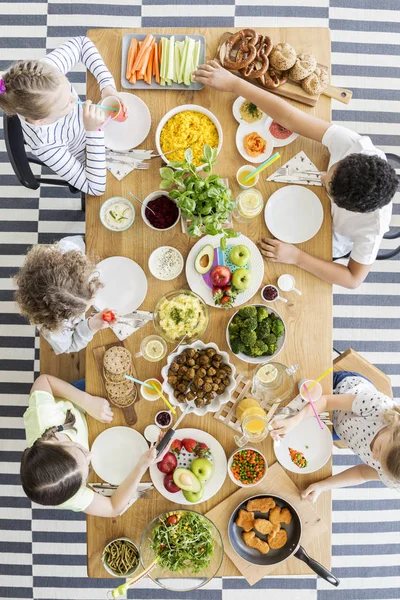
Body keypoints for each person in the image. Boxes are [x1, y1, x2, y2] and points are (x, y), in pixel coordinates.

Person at [193, 61, 398, 289]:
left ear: (349, 207)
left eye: (328, 186)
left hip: (322, 240)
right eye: (331, 173)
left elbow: (353, 279)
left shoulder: (372, 227)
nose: (320, 178)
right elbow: (290, 118)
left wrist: (297, 257)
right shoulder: (355, 146)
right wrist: (234, 84)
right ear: (349, 159)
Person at [21, 374, 170, 516]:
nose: (90, 455)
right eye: (86, 466)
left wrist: (87, 401)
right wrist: (142, 465)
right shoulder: (66, 492)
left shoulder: (43, 416)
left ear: (55, 440)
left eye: (80, 450)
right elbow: (113, 508)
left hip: (74, 398)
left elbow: (44, 380)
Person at [0, 36, 126, 196]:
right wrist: (93, 132)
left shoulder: (45, 76)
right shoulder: (45, 145)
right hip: (88, 152)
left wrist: (107, 86)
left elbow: (82, 43)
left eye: (68, 89)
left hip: (93, 128)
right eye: (66, 104)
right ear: (41, 121)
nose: (74, 99)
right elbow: (95, 188)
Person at [269, 371, 400, 501]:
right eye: (379, 448)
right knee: (291, 397)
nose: (374, 456)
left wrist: (323, 486)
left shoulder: (393, 475)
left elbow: (362, 474)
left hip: (344, 429)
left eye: (379, 464)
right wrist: (294, 421)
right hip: (340, 390)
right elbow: (326, 402)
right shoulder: (377, 406)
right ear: (394, 428)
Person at [14, 236, 117, 355]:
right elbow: (69, 346)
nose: (93, 303)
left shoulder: (69, 248)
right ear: (63, 316)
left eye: (89, 288)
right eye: (81, 310)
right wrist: (90, 326)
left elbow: (80, 242)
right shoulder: (52, 328)